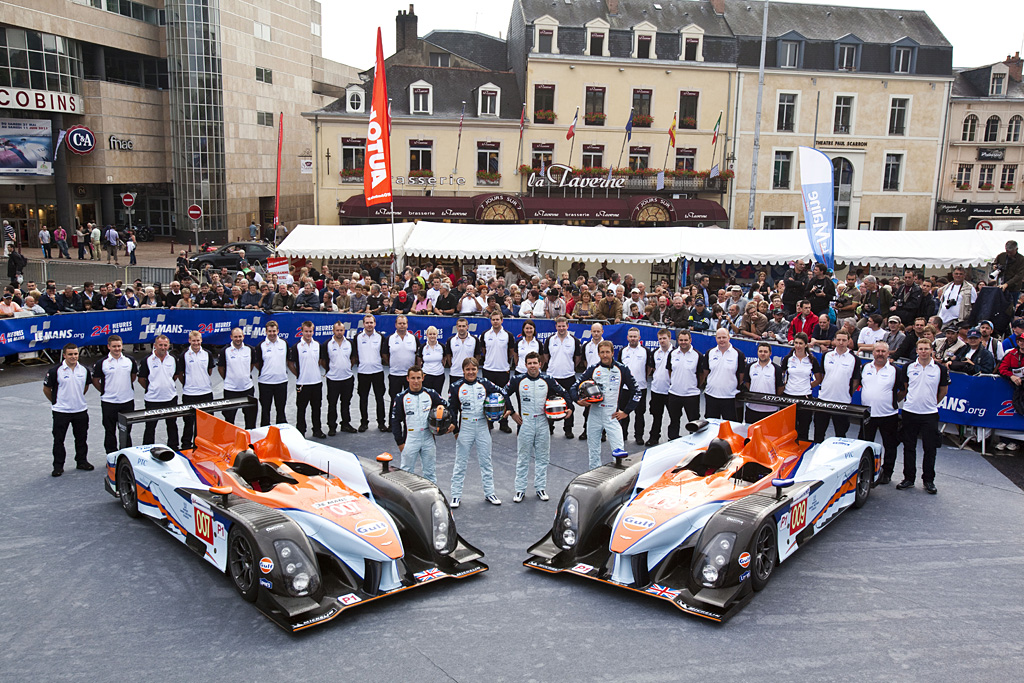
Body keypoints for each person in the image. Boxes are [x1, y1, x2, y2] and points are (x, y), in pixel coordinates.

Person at [506, 352, 571, 502]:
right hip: (525, 422)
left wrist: (570, 408)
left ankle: (540, 488)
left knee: (543, 458)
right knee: (523, 458)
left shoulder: (547, 379)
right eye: (529, 363)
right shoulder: (518, 380)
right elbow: (503, 394)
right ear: (525, 365)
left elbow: (564, 393)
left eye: (535, 363)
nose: (532, 366)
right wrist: (512, 413)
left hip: (543, 422)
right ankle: (520, 490)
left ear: (540, 364)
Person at [574, 340, 639, 469]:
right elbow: (574, 387)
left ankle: (619, 478)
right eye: (602, 352)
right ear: (598, 354)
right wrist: (578, 400)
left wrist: (626, 411)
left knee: (619, 451)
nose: (605, 355)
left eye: (607, 352)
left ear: (612, 353)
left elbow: (636, 391)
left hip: (612, 415)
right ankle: (594, 475)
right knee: (593, 451)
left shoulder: (622, 369)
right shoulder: (593, 369)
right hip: (594, 415)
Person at [449, 358, 505, 507]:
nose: (471, 372)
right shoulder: (456, 386)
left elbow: (502, 393)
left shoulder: (485, 383)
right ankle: (455, 495)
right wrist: (455, 427)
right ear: (463, 371)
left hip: (482, 425)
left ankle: (490, 493)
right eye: (468, 369)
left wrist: (508, 410)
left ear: (477, 370)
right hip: (465, 426)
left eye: (473, 369)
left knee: (486, 461)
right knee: (460, 462)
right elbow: (452, 409)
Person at [896, 339, 950, 494]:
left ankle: (928, 480)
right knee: (909, 446)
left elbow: (943, 390)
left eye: (926, 348)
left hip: (930, 414)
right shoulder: (908, 367)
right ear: (917, 350)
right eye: (921, 348)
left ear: (931, 350)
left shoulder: (940, 369)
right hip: (910, 412)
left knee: (930, 448)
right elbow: (906, 388)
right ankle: (909, 479)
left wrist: (932, 403)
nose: (924, 351)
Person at [391, 365, 449, 484]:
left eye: (418, 378)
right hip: (410, 438)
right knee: (406, 472)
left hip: (428, 438)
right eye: (413, 378)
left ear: (423, 378)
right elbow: (395, 421)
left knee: (430, 473)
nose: (416, 381)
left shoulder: (431, 394)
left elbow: (447, 407)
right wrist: (400, 442)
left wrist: (451, 424)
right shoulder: (401, 397)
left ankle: (432, 498)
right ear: (407, 379)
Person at [43, 343, 92, 476]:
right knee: (59, 440)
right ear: (64, 355)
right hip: (61, 412)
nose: (73, 356)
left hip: (80, 410)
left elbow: (85, 387)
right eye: (70, 354)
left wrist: (77, 399)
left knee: (81, 438)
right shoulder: (55, 371)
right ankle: (58, 466)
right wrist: (56, 402)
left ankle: (81, 461)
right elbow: (47, 389)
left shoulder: (84, 370)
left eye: (75, 354)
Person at [859, 342, 902, 485]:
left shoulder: (895, 370)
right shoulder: (865, 368)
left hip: (888, 414)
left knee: (889, 445)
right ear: (873, 352)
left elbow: (902, 390)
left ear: (888, 353)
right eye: (877, 351)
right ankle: (865, 470)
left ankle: (887, 472)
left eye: (883, 351)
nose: (880, 353)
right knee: (864, 444)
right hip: (868, 414)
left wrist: (892, 401)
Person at [92, 334, 138, 454]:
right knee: (109, 431)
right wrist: (106, 391)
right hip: (109, 403)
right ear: (108, 347)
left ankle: (127, 454)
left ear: (122, 346)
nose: (117, 349)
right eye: (114, 346)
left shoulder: (130, 361)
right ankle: (111, 456)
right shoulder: (102, 363)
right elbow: (96, 381)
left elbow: (132, 377)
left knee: (126, 431)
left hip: (127, 401)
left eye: (119, 346)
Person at [813, 330, 862, 442]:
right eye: (838, 340)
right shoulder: (826, 355)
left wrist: (848, 393)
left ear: (848, 341)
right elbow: (823, 374)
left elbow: (855, 381)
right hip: (824, 399)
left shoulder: (854, 359)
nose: (841, 342)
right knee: (818, 432)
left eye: (844, 340)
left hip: (842, 401)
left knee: (840, 434)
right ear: (834, 340)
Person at [542, 316, 583, 439]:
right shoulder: (550, 340)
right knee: (549, 402)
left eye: (563, 326)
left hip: (568, 376)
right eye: (559, 326)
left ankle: (568, 429)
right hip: (552, 376)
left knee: (569, 404)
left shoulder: (574, 341)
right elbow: (546, 356)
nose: (561, 328)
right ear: (556, 327)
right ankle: (550, 427)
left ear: (567, 326)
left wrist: (569, 367)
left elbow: (577, 358)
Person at [137, 334, 179, 450]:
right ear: (155, 345)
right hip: (152, 400)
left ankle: (174, 448)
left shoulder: (173, 359)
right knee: (150, 427)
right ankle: (147, 449)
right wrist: (153, 388)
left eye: (165, 345)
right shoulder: (147, 360)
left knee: (172, 425)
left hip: (170, 398)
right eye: (160, 345)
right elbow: (141, 379)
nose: (163, 347)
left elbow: (175, 376)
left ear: (169, 346)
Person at [175, 330, 215, 449]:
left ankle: (203, 445)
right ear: (189, 341)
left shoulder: (207, 354)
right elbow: (181, 373)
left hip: (206, 392)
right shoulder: (184, 355)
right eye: (193, 341)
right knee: (188, 422)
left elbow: (209, 371)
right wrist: (188, 384)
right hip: (189, 394)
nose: (196, 343)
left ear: (201, 340)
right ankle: (186, 445)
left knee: (206, 423)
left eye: (198, 340)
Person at [780, 332, 822, 442]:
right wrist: (786, 386)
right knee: (788, 428)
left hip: (805, 398)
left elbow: (818, 379)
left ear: (806, 345)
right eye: (796, 343)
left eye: (801, 343)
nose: (798, 346)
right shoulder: (788, 358)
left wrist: (807, 387)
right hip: (788, 396)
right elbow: (781, 375)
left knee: (804, 428)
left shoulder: (812, 360)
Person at [286, 321, 325, 438]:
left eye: (310, 331)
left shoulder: (317, 345)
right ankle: (301, 431)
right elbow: (290, 364)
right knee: (301, 409)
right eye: (306, 331)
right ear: (302, 331)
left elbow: (319, 361)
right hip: (302, 383)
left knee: (316, 408)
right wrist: (299, 375)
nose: (308, 334)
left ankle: (317, 430)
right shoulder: (296, 346)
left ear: (313, 332)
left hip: (316, 382)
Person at [479, 311, 514, 433]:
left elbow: (510, 352)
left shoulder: (508, 335)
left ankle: (503, 423)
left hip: (503, 370)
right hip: (488, 370)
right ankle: (488, 422)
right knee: (487, 397)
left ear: (502, 320)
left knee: (503, 397)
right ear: (491, 321)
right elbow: (483, 350)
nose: (495, 321)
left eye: (497, 319)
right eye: (493, 319)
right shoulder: (485, 334)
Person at [700, 328, 745, 422]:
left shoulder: (738, 354)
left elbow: (741, 375)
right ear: (716, 338)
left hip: (730, 397)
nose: (721, 340)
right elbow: (706, 372)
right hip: (711, 395)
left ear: (729, 337)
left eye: (724, 337)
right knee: (711, 426)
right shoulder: (710, 353)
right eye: (719, 337)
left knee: (731, 428)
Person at [320, 321, 356, 435]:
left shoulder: (349, 343)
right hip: (333, 379)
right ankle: (332, 426)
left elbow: (353, 358)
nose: (339, 332)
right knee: (332, 403)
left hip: (347, 378)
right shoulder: (327, 344)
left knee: (346, 403)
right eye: (337, 330)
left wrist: (346, 368)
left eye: (341, 330)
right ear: (333, 331)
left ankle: (345, 424)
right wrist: (331, 370)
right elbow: (323, 361)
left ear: (344, 331)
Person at [666, 329, 704, 439]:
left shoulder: (697, 355)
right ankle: (672, 440)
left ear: (690, 340)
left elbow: (701, 375)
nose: (683, 342)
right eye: (681, 340)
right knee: (674, 420)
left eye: (685, 340)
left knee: (694, 422)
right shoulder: (672, 354)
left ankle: (695, 443)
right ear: (678, 340)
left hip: (691, 395)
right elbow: (670, 371)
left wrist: (694, 385)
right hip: (674, 393)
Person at [217, 327, 257, 429]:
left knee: (250, 418)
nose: (238, 339)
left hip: (247, 388)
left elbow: (251, 365)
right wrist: (229, 379)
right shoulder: (225, 351)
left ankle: (249, 439)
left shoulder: (250, 349)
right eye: (235, 337)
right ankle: (230, 441)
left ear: (243, 336)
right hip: (230, 390)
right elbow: (221, 368)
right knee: (229, 418)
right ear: (231, 337)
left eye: (240, 336)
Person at [353, 314, 388, 432]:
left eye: (371, 322)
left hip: (378, 372)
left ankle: (381, 423)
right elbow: (354, 355)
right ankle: (364, 422)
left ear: (375, 324)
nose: (369, 325)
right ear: (363, 324)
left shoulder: (380, 337)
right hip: (363, 373)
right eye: (367, 323)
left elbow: (384, 354)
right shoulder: (357, 337)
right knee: (363, 398)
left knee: (380, 398)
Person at [618, 327, 651, 446]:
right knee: (623, 413)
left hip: (640, 388)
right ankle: (623, 434)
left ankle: (639, 436)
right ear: (627, 337)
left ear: (639, 338)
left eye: (635, 336)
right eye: (630, 336)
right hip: (625, 389)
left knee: (640, 413)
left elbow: (648, 368)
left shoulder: (645, 351)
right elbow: (619, 369)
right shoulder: (623, 351)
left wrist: (641, 378)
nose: (632, 339)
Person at [254, 320, 289, 427]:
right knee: (265, 410)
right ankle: (265, 434)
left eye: (274, 331)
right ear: (266, 332)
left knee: (281, 410)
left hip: (281, 382)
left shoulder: (284, 343)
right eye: (270, 331)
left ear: (278, 331)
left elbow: (287, 360)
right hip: (265, 383)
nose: (272, 333)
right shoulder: (261, 345)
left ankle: (282, 434)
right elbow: (257, 363)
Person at [743, 342, 784, 423]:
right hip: (752, 408)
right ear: (757, 352)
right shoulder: (750, 367)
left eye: (765, 352)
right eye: (760, 351)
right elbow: (747, 383)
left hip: (770, 410)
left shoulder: (777, 369)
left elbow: (780, 388)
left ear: (770, 353)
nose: (763, 354)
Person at [385, 314, 420, 410]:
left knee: (410, 400)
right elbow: (385, 355)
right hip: (394, 375)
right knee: (394, 401)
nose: (402, 325)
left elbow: (418, 355)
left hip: (410, 376)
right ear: (396, 325)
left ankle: (408, 425)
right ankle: (392, 424)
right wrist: (392, 364)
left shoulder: (414, 338)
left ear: (407, 325)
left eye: (404, 323)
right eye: (400, 323)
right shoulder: (389, 339)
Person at [418, 325, 446, 394]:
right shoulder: (423, 347)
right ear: (427, 335)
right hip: (426, 375)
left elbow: (445, 358)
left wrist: (441, 367)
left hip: (439, 375)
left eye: (434, 334)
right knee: (426, 395)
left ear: (437, 335)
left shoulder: (441, 346)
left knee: (437, 395)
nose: (432, 336)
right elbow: (419, 359)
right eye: (430, 334)